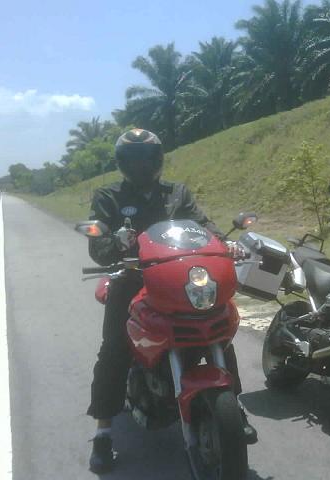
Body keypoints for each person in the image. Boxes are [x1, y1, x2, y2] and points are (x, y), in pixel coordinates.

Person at [86, 128, 256, 474]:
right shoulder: (108, 196)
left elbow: (203, 226)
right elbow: (98, 247)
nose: (141, 164)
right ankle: (103, 432)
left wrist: (225, 243)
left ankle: (232, 408)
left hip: (179, 280)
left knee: (218, 331)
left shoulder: (177, 193)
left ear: (158, 159)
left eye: (147, 157)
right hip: (132, 280)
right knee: (115, 348)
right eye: (134, 159)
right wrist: (116, 242)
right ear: (122, 162)